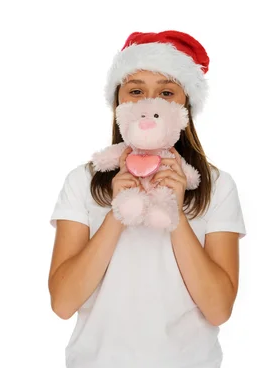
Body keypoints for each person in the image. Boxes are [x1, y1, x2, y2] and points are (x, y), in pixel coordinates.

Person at [47, 30, 247, 368]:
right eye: (136, 91)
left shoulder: (217, 186)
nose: (148, 104)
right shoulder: (83, 181)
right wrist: (116, 213)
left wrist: (176, 213)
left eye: (166, 92)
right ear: (119, 103)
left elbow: (218, 308)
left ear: (185, 106)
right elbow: (63, 303)